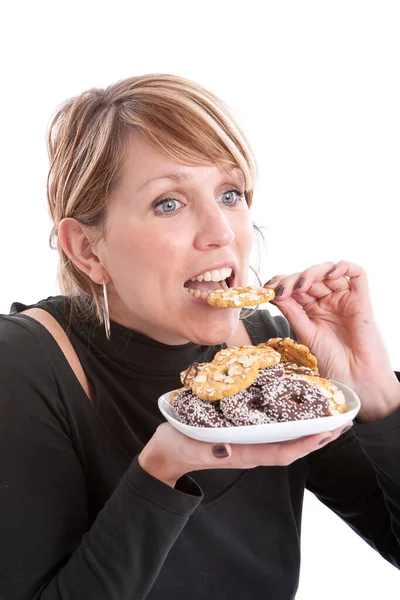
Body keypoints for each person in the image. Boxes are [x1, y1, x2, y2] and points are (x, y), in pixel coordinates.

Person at [0, 74, 399, 600]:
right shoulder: (23, 367)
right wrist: (162, 469)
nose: (222, 233)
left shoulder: (268, 354)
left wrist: (375, 396)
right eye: (169, 202)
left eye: (230, 193)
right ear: (87, 250)